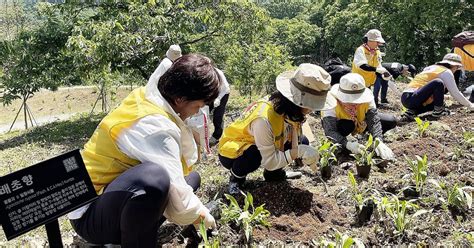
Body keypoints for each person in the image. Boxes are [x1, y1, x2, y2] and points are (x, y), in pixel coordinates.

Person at [69, 54, 220, 247]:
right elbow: (180, 201)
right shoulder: (155, 128)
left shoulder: (153, 95)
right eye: (197, 106)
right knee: (154, 179)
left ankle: (134, 228)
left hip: (113, 193)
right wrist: (204, 217)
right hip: (90, 214)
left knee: (192, 179)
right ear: (180, 98)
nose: (197, 112)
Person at [218, 63, 336, 194]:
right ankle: (236, 179)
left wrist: (302, 150)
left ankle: (274, 175)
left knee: (303, 141)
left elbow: (295, 133)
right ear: (296, 101)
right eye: (311, 104)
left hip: (266, 142)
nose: (312, 109)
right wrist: (297, 152)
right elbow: (269, 161)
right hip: (234, 150)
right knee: (254, 154)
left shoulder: (290, 111)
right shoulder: (263, 119)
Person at [321, 73, 396, 160]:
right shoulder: (330, 101)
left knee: (391, 120)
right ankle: (342, 144)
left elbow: (374, 121)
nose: (354, 104)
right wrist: (347, 144)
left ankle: (366, 136)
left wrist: (378, 140)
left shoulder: (368, 99)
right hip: (343, 126)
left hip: (361, 123)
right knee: (346, 125)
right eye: (349, 100)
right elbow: (330, 130)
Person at [400, 53, 474, 122]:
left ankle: (411, 112)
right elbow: (455, 93)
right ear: (454, 65)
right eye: (457, 67)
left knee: (441, 103)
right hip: (412, 97)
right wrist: (470, 105)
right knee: (438, 83)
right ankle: (438, 112)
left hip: (407, 98)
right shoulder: (446, 72)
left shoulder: (430, 68)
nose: (456, 70)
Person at [351, 29, 392, 106]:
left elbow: (378, 64)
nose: (378, 44)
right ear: (370, 41)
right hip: (358, 81)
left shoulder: (377, 51)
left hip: (369, 80)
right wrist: (377, 70)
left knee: (366, 102)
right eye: (377, 42)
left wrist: (384, 72)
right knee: (358, 102)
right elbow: (362, 65)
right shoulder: (361, 50)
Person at [209, 68, 231, 146]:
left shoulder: (218, 73)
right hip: (212, 93)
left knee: (218, 115)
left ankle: (216, 136)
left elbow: (224, 89)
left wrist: (218, 99)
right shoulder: (201, 72)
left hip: (223, 93)